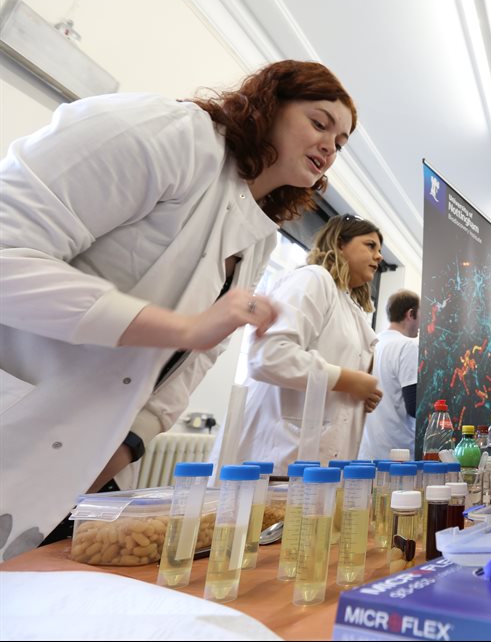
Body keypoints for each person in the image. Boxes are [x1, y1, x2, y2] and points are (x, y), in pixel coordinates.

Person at [0, 60, 359, 561]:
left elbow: (198, 359)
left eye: (340, 143)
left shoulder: (257, 234)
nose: (330, 146)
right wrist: (184, 327)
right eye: (320, 123)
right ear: (268, 104)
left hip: (82, 461)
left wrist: (127, 444)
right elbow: (7, 251)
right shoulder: (172, 136)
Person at [229, 215, 384, 472]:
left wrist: (361, 393)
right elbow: (270, 355)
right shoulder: (313, 278)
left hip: (319, 460)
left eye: (379, 250)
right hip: (277, 453)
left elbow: (336, 376)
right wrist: (349, 381)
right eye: (370, 245)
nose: (378, 256)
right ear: (340, 243)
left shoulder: (350, 307)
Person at [357, 290, 420, 460]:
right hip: (397, 453)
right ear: (411, 313)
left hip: (366, 452)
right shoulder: (408, 347)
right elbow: (414, 406)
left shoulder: (372, 343)